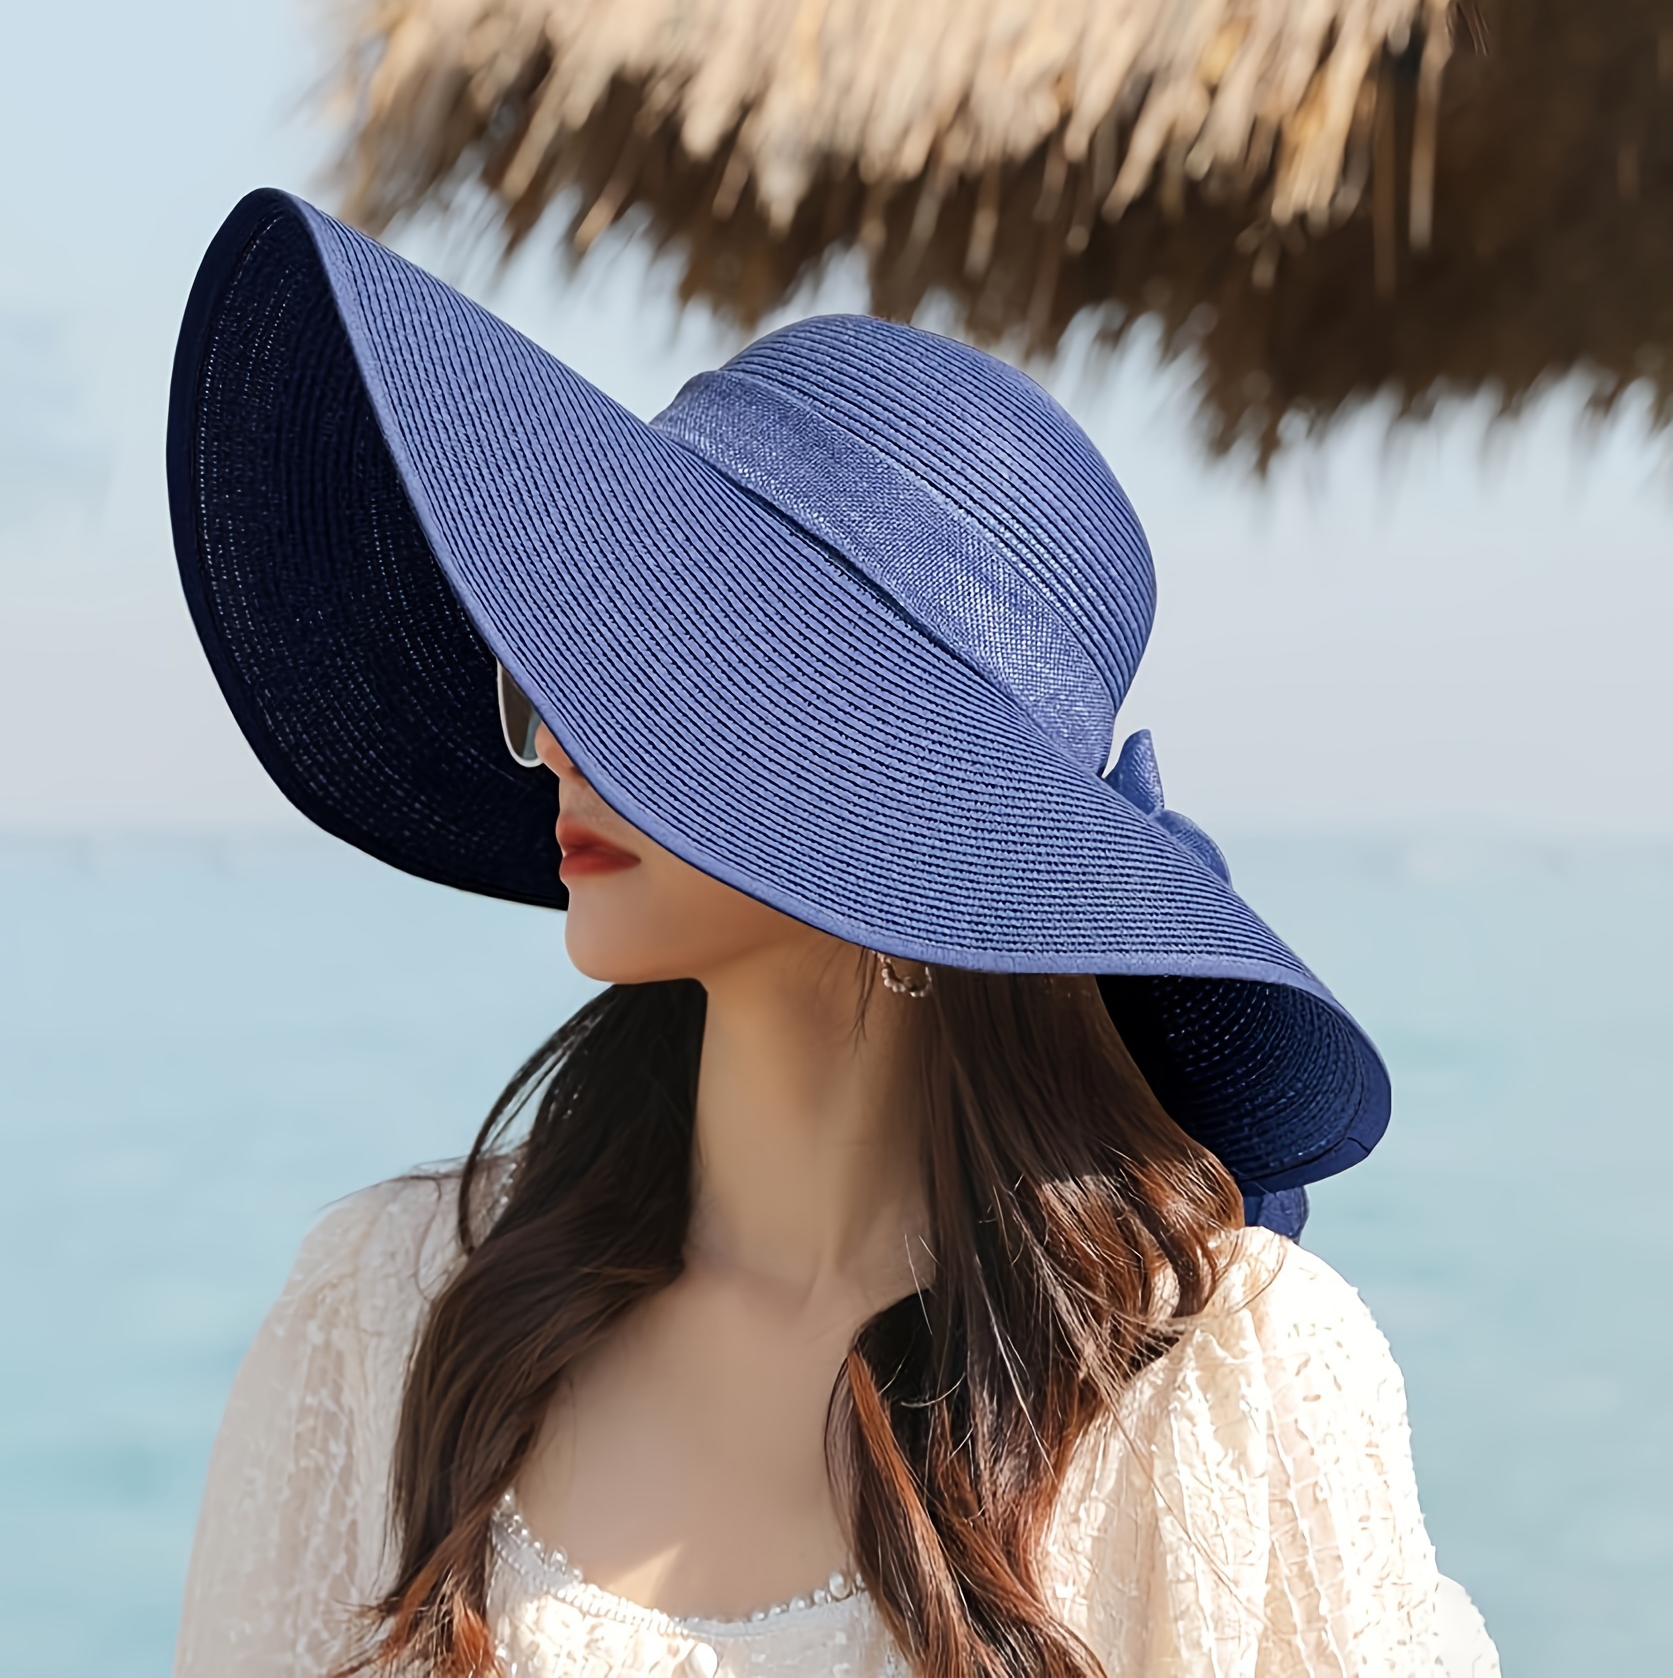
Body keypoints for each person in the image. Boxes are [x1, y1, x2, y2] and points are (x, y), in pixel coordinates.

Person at [167, 190, 1501, 1678]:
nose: (555, 742)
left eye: (645, 674)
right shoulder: (386, 1312)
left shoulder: (1219, 1384)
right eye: (555, 664)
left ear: (890, 793)